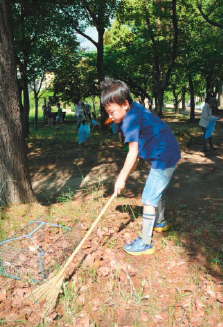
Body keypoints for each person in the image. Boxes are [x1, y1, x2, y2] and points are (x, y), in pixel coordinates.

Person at [100, 80, 181, 256]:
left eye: (112, 112)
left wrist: (121, 178)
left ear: (125, 104)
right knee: (156, 191)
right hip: (169, 152)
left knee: (148, 198)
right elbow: (135, 155)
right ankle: (160, 223)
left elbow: (132, 153)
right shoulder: (135, 109)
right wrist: (132, 164)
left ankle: (145, 242)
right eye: (108, 113)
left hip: (163, 158)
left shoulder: (130, 120)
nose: (111, 117)